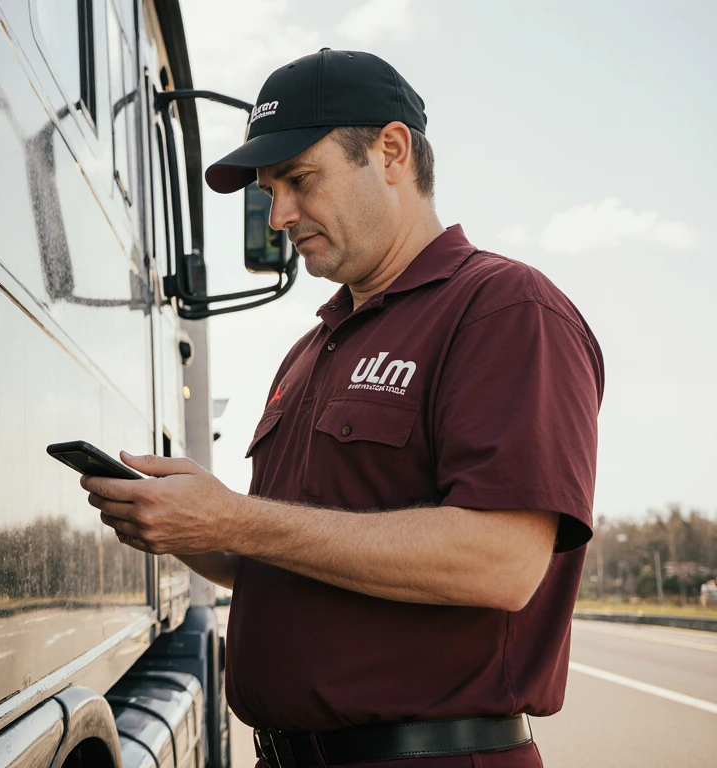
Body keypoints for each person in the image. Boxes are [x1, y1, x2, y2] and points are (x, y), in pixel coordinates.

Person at [79, 49, 603, 768]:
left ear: (391, 151)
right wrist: (190, 527)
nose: (280, 214)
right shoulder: (310, 350)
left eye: (299, 179)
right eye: (269, 190)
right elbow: (298, 551)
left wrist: (238, 515)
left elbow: (502, 563)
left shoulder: (504, 309)